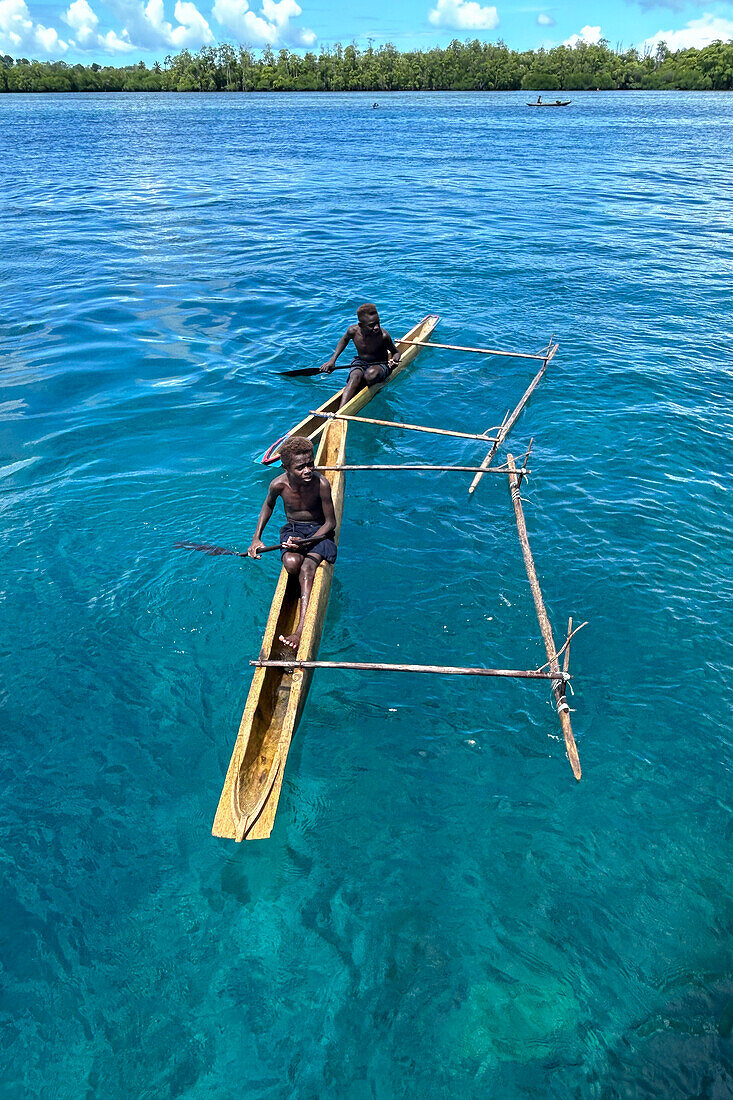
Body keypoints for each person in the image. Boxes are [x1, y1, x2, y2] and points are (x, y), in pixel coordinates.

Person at [248, 435, 337, 651]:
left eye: (310, 464)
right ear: (286, 468)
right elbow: (267, 507)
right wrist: (256, 538)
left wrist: (306, 543)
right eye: (301, 467)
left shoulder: (321, 484)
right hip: (294, 530)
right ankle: (300, 591)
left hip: (319, 532)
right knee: (290, 563)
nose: (308, 470)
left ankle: (300, 629)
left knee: (306, 568)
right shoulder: (278, 484)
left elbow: (330, 523)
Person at [320, 303, 401, 408]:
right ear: (361, 325)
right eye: (371, 325)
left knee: (370, 375)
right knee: (355, 377)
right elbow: (344, 340)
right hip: (361, 361)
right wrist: (332, 361)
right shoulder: (352, 331)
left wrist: (394, 361)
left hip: (380, 365)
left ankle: (359, 389)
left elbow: (396, 352)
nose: (376, 327)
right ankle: (341, 412)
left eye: (378, 323)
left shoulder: (383, 336)